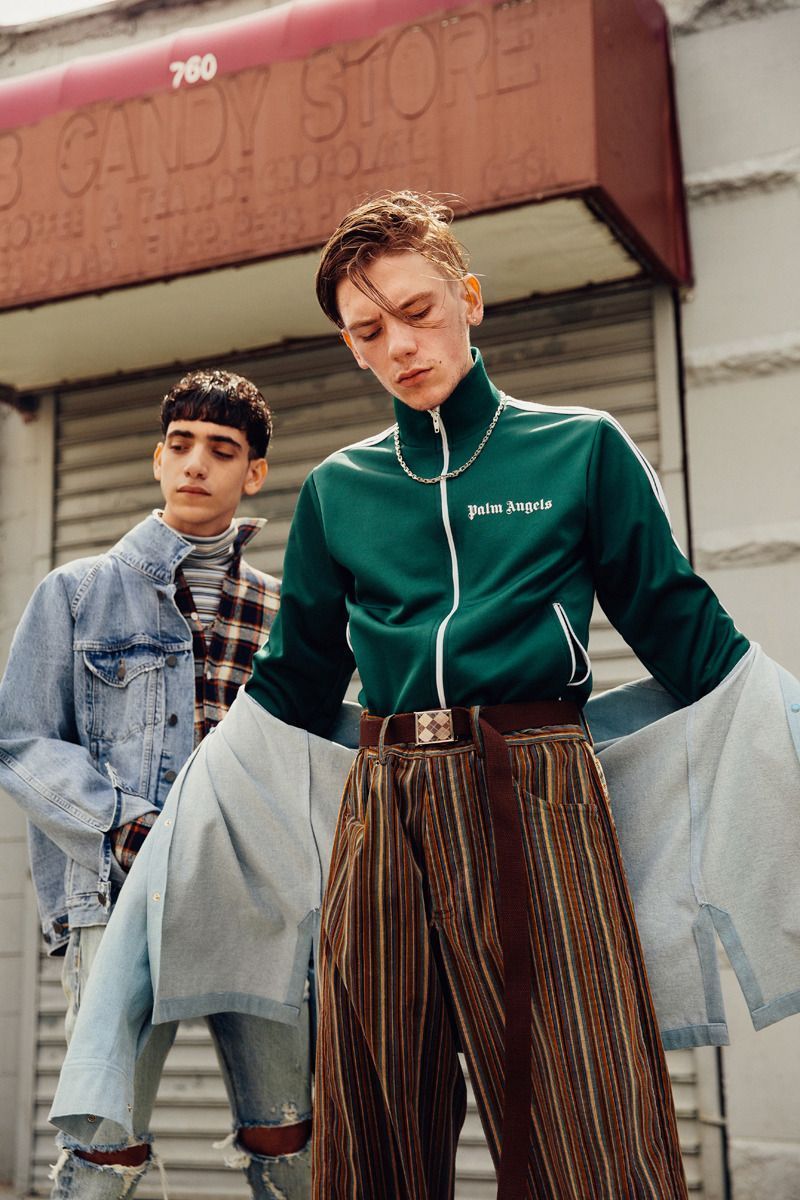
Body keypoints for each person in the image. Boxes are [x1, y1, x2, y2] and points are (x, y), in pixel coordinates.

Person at [240, 191, 753, 1200]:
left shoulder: (578, 448)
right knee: (374, 1097)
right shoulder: (336, 491)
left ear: (467, 299)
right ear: (351, 347)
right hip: (382, 805)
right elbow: (294, 682)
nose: (399, 343)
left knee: (581, 1098)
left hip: (537, 790)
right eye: (368, 330)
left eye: (417, 310)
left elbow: (681, 630)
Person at [0, 370, 313, 1200]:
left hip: (260, 896)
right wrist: (123, 827)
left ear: (254, 474)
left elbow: (306, 750)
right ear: (156, 459)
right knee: (107, 1148)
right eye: (180, 445)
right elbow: (20, 738)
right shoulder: (76, 595)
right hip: (123, 889)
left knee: (289, 1133)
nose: (196, 463)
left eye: (222, 449)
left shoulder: (285, 612)